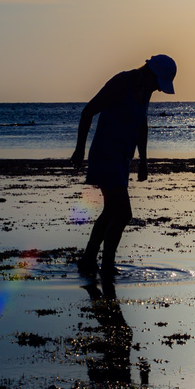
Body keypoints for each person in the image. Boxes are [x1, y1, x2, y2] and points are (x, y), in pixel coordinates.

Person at [71, 54, 176, 276]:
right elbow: (88, 111)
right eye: (158, 84)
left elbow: (141, 126)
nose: (158, 89)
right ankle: (106, 265)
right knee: (123, 213)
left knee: (111, 211)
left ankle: (88, 260)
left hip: (122, 160)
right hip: (105, 156)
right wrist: (79, 149)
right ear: (151, 73)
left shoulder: (144, 91)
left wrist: (143, 160)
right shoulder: (121, 82)